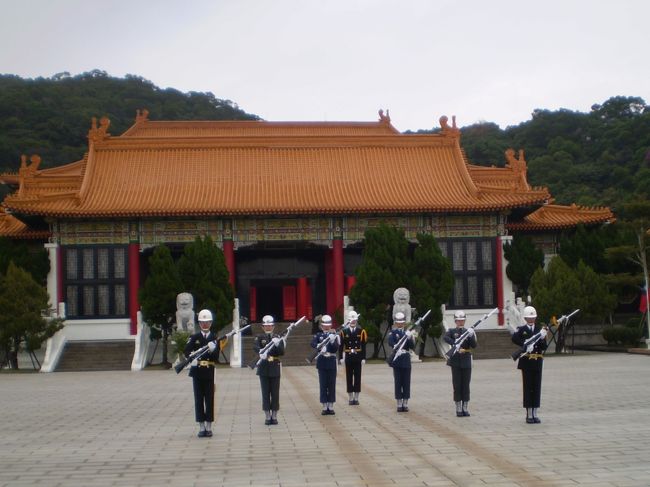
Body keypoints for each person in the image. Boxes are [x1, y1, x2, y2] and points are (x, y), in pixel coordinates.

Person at [183, 309, 224, 438]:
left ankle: (209, 426)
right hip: (197, 371)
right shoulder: (194, 337)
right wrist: (192, 358)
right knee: (199, 399)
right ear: (199, 323)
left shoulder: (214, 338)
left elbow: (217, 357)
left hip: (209, 372)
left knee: (210, 398)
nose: (205, 324)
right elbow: (186, 351)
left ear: (211, 323)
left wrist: (213, 350)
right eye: (202, 322)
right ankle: (201, 426)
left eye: (207, 322)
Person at [511, 305, 548, 424]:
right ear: (525, 318)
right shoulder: (521, 329)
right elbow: (514, 339)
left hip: (537, 361)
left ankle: (535, 413)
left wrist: (542, 338)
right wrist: (526, 344)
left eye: (533, 318)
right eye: (529, 318)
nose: (531, 320)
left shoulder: (539, 330)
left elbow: (544, 347)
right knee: (528, 387)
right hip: (526, 361)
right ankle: (529, 413)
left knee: (536, 387)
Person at [443, 310, 477, 417]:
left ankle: (465, 407)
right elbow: (445, 337)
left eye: (462, 320)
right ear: (455, 321)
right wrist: (455, 343)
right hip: (456, 360)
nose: (460, 322)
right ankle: (458, 407)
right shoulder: (452, 331)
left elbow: (474, 345)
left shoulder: (469, 331)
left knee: (466, 384)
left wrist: (471, 335)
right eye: (458, 320)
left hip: (466, 359)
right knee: (457, 384)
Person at [253, 315, 285, 425]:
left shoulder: (278, 337)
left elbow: (281, 352)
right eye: (266, 326)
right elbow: (255, 347)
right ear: (262, 327)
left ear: (273, 326)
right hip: (264, 367)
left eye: (270, 325)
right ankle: (267, 415)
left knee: (275, 393)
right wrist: (261, 351)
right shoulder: (259, 337)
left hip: (275, 366)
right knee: (265, 392)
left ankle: (274, 415)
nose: (268, 327)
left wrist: (277, 344)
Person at [310, 314, 340, 415]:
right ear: (321, 325)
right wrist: (319, 346)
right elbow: (312, 343)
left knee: (331, 384)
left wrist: (332, 340)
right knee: (323, 384)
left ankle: (331, 405)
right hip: (322, 361)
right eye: (324, 325)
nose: (326, 326)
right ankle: (324, 405)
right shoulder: (318, 335)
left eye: (328, 324)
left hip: (331, 360)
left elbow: (336, 348)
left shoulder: (335, 335)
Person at [388, 311, 416, 412]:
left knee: (406, 382)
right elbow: (391, 342)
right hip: (397, 358)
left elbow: (412, 346)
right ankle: (399, 402)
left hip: (405, 358)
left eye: (402, 322)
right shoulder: (393, 333)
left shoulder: (407, 333)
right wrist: (397, 344)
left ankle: (405, 402)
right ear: (395, 323)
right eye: (398, 322)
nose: (400, 323)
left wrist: (410, 338)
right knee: (398, 381)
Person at [338, 310, 367, 405]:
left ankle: (356, 397)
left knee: (357, 377)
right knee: (349, 377)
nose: (353, 321)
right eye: (351, 320)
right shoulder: (344, 332)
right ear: (349, 320)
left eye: (354, 320)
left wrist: (363, 358)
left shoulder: (361, 331)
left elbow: (363, 345)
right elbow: (341, 345)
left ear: (357, 320)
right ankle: (350, 397)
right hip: (349, 356)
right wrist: (340, 358)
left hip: (357, 356)